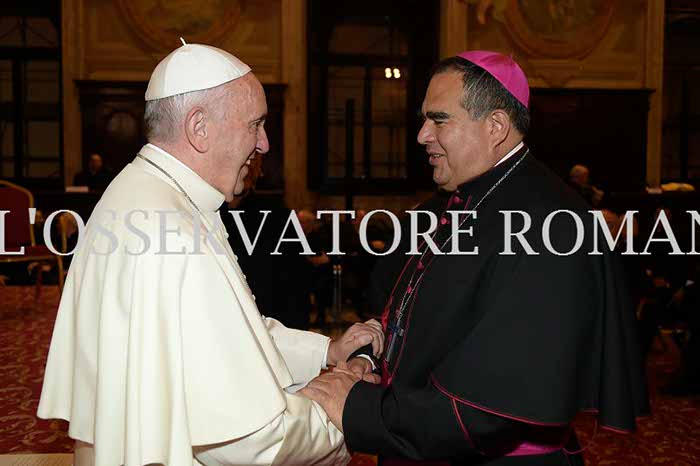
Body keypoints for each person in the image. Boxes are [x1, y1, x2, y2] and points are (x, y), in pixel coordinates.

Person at [38, 42, 384, 466]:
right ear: (199, 127)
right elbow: (253, 441)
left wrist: (324, 353)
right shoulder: (176, 232)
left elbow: (233, 330)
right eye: (255, 124)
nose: (264, 144)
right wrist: (341, 409)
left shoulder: (142, 193)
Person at [300, 51, 649, 465]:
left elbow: (493, 408)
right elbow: (404, 309)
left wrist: (359, 407)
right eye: (424, 120)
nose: (422, 135)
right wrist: (368, 356)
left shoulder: (552, 226)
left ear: (495, 126)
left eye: (439, 120)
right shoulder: (453, 201)